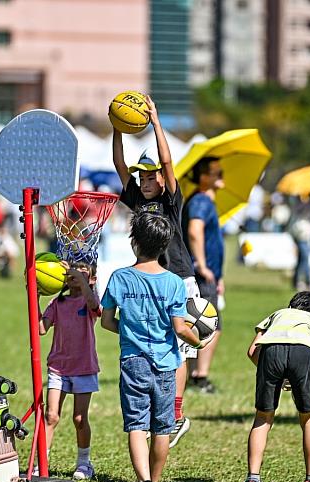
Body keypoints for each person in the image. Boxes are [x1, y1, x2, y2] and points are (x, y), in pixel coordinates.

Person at [100, 212, 209, 482]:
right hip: (166, 364)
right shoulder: (174, 283)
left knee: (136, 425)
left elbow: (107, 321)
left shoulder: (120, 278)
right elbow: (179, 328)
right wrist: (199, 340)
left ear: (134, 242)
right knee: (162, 428)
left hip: (132, 361)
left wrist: (129, 329)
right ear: (165, 246)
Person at [113, 94, 197, 448]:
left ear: (163, 179)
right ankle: (158, 408)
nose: (146, 180)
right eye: (143, 176)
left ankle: (174, 414)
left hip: (178, 278)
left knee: (179, 349)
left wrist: (157, 123)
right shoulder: (137, 199)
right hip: (152, 280)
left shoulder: (169, 200)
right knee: (154, 345)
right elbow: (119, 164)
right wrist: (117, 128)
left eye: (152, 176)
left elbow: (166, 160)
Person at [240, 291, 310, 482]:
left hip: (270, 352)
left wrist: (275, 376)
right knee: (309, 419)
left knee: (263, 417)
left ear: (292, 306)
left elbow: (253, 351)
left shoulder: (278, 314)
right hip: (303, 352)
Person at [39, 261, 101, 481]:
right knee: (51, 416)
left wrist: (84, 283)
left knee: (79, 418)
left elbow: (97, 307)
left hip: (83, 367)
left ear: (91, 280)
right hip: (58, 367)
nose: (75, 275)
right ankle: (42, 464)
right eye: (72, 272)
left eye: (83, 273)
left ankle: (84, 463)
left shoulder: (89, 301)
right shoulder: (58, 303)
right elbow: (41, 329)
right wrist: (35, 296)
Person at [183, 157, 225, 394]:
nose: (221, 176)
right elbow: (194, 231)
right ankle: (200, 376)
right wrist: (201, 264)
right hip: (201, 275)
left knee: (199, 323)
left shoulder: (206, 201)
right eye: (216, 172)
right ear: (203, 177)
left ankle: (192, 375)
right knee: (209, 324)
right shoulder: (200, 201)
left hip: (209, 275)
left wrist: (220, 277)